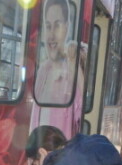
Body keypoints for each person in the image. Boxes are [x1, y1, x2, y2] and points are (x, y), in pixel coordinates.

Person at [31, 0, 84, 136]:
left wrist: (74, 65)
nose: (51, 35)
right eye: (48, 26)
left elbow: (81, 113)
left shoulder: (71, 72)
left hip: (61, 155)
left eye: (57, 26)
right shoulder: (43, 71)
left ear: (66, 27)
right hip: (40, 154)